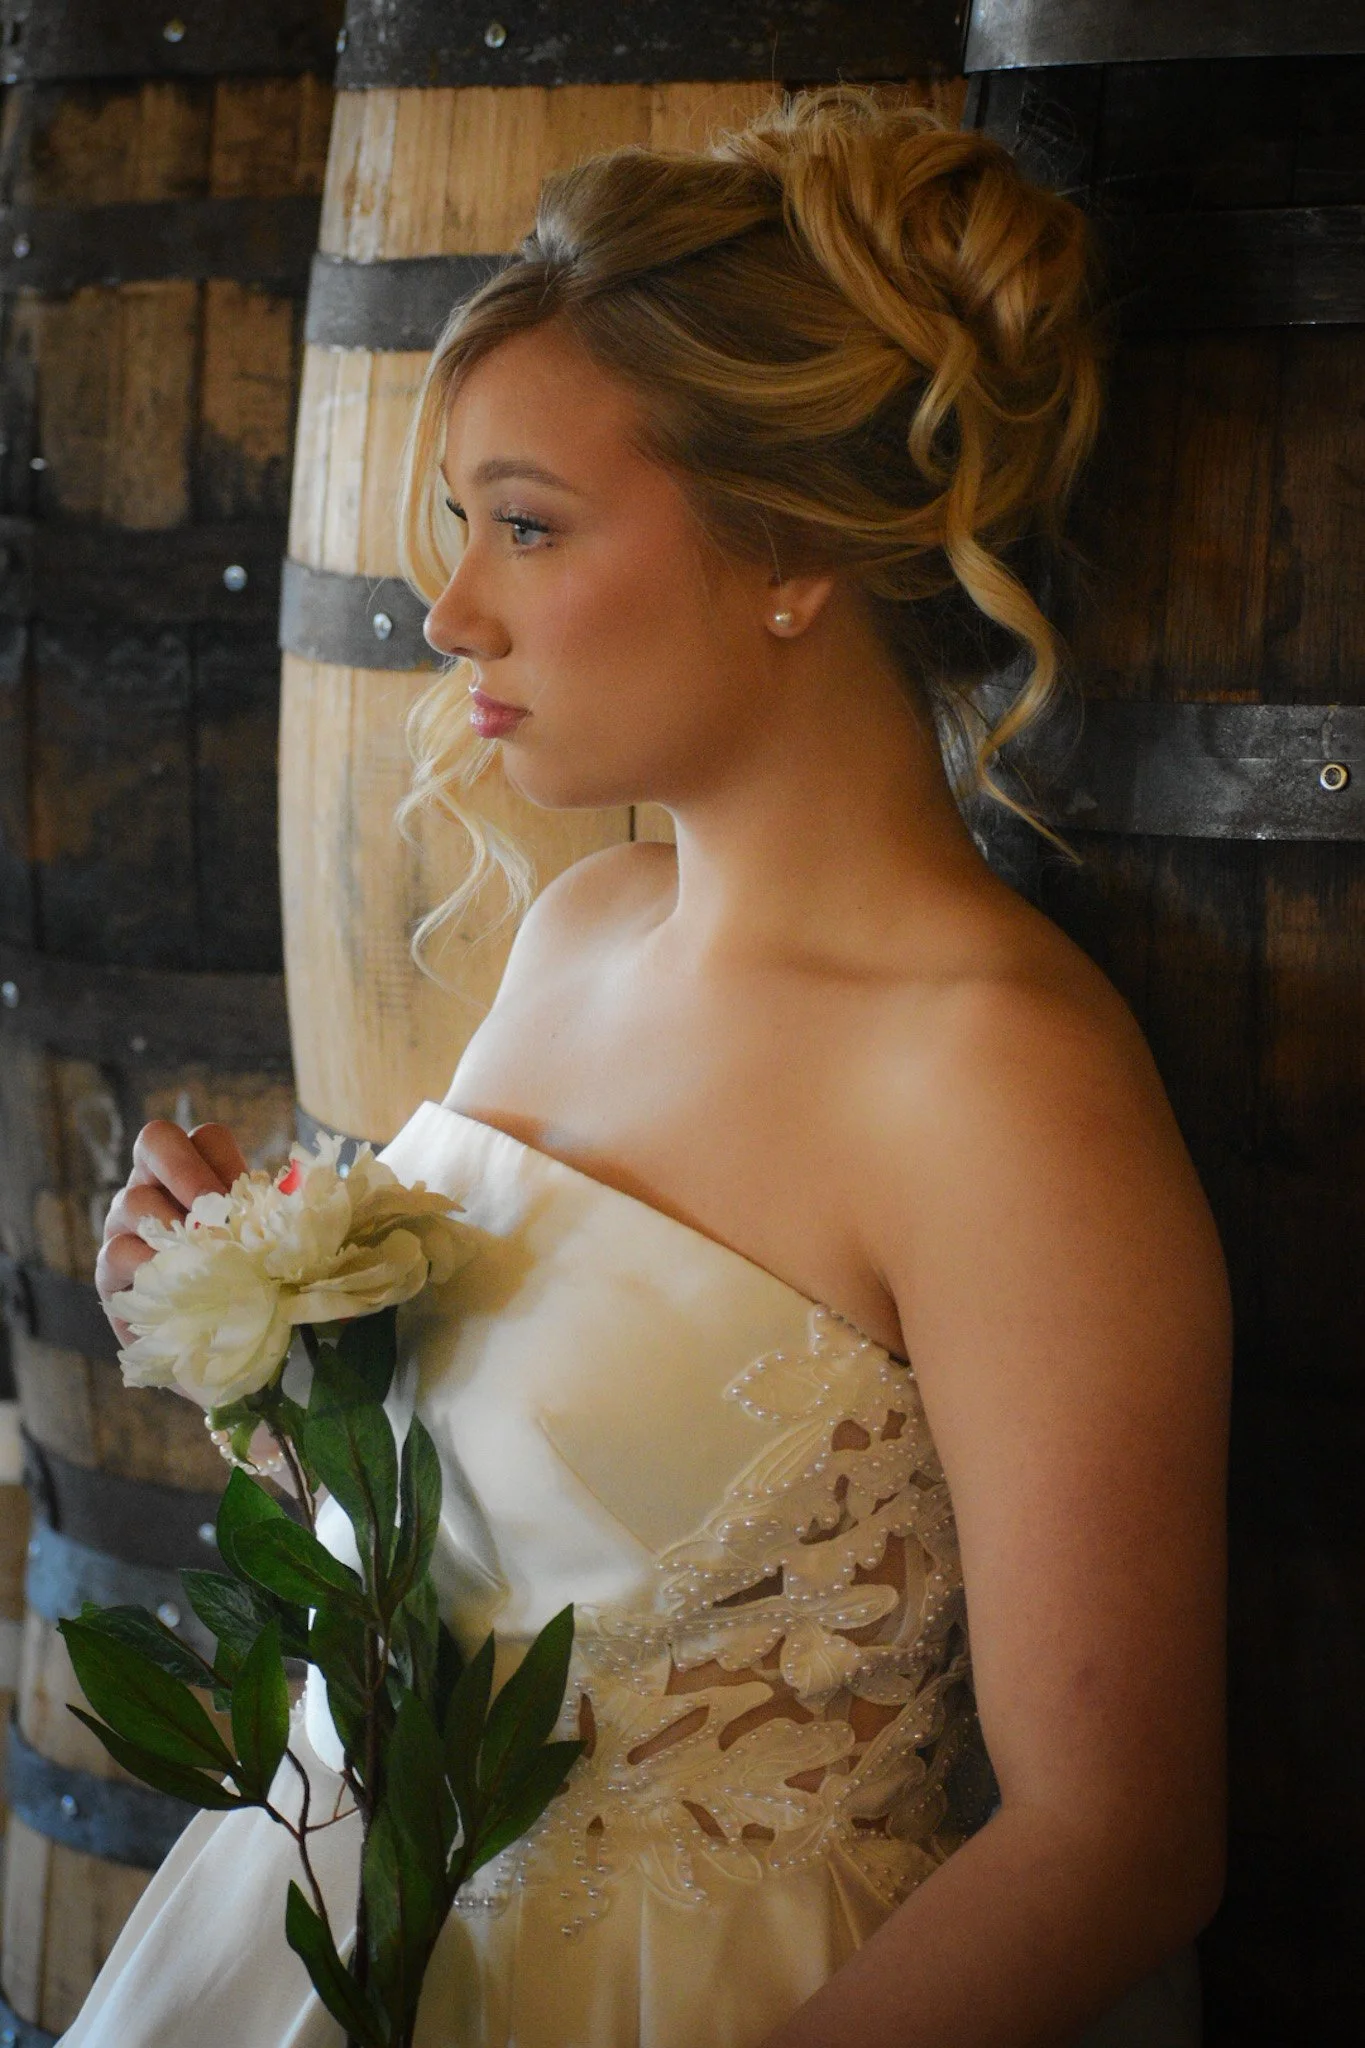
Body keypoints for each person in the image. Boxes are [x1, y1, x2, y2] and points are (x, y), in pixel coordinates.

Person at [74, 87, 1229, 2048]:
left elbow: (1117, 1839)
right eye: (461, 527)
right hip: (309, 1937)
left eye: (527, 525)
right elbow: (527, 1568)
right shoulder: (582, 932)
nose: (450, 615)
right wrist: (255, 1349)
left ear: (791, 551)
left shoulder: (994, 1084)